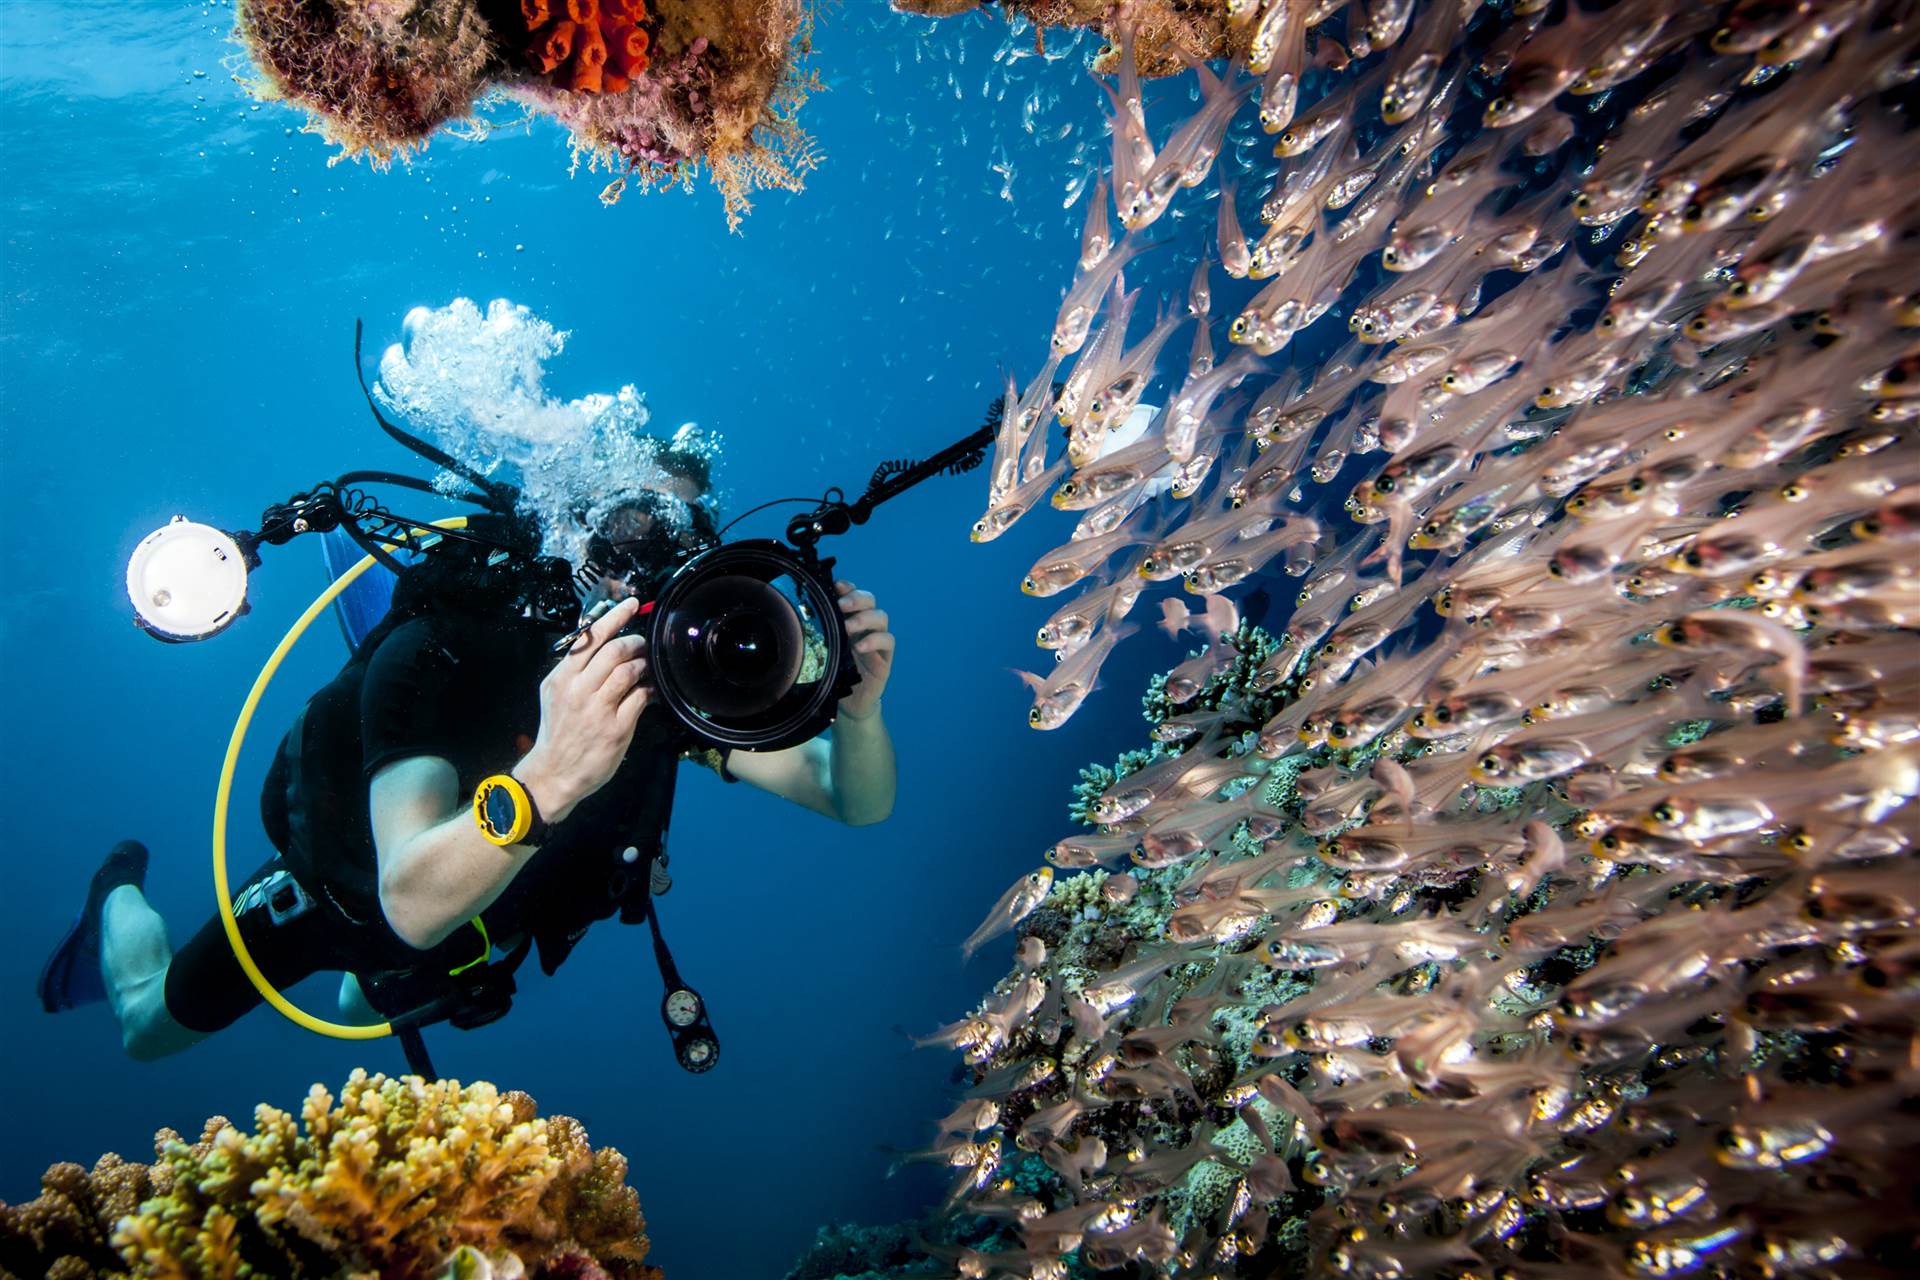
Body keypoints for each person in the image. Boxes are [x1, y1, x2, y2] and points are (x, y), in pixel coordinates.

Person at [39, 444, 897, 1061]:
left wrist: (859, 718)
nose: (646, 564)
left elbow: (855, 800)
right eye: (629, 531)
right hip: (333, 892)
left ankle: (376, 984)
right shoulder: (440, 648)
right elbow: (409, 899)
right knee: (148, 1031)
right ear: (576, 536)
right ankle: (116, 888)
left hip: (473, 932)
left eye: (677, 540)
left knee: (383, 984)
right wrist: (555, 771)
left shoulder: (662, 691)